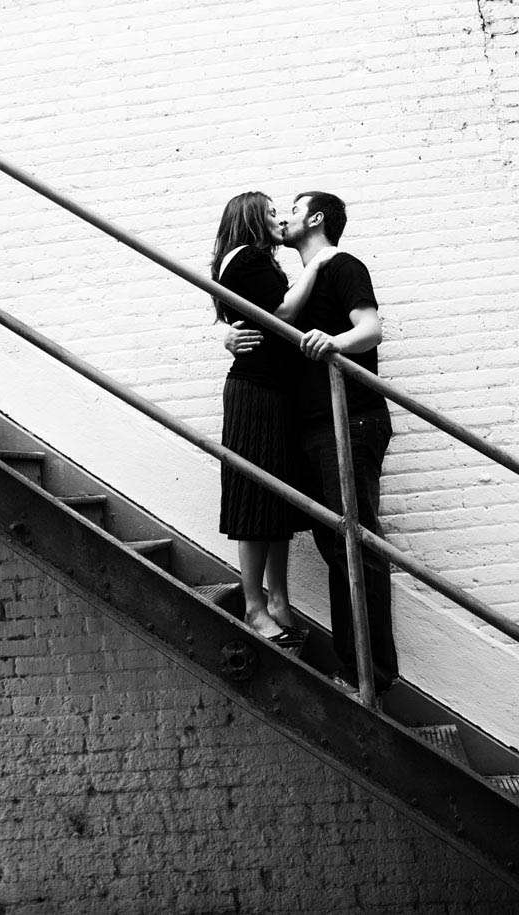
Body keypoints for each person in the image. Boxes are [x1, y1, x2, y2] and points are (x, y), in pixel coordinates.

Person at [226, 191, 398, 695]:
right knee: (336, 547)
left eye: (294, 210)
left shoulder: (342, 264)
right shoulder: (295, 282)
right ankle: (355, 669)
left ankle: (370, 678)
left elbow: (371, 329)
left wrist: (334, 342)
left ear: (317, 218)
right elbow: (269, 321)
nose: (284, 218)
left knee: (357, 547)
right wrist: (232, 335)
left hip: (351, 421)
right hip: (312, 427)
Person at [212, 191, 337, 647]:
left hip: (275, 394)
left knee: (276, 499)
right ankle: (254, 607)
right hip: (256, 394)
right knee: (253, 498)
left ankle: (279, 602)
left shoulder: (255, 261)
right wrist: (317, 265)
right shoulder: (245, 257)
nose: (278, 218)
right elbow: (281, 312)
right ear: (249, 218)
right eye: (269, 212)